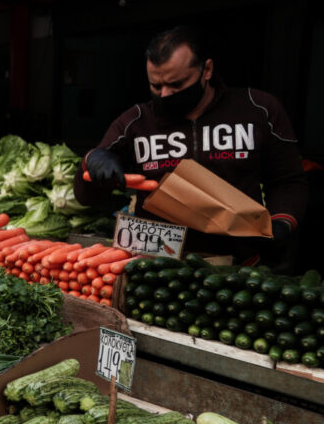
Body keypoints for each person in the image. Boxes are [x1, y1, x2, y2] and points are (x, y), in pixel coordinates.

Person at [75, 26, 307, 266]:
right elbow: (85, 196)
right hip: (154, 262)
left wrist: (281, 224)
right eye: (156, 86)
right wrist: (92, 161)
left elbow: (287, 180)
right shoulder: (135, 121)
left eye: (176, 85)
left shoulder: (258, 109)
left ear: (206, 70)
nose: (165, 95)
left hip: (237, 263)